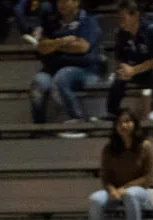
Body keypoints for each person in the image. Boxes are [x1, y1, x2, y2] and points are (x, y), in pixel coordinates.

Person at [29, 0, 105, 133]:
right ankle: (39, 127)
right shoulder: (52, 22)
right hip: (53, 69)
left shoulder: (88, 21)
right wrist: (63, 41)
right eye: (59, 1)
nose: (61, 4)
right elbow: (42, 47)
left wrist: (54, 45)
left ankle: (78, 119)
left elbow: (82, 47)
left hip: (85, 70)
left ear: (76, 2)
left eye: (65, 1)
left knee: (62, 76)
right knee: (38, 83)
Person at [88, 109, 153, 220]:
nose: (123, 126)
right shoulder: (109, 149)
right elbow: (106, 177)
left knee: (130, 194)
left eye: (127, 121)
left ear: (134, 124)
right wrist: (112, 190)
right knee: (95, 199)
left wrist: (125, 188)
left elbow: (149, 177)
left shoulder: (146, 146)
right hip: (117, 191)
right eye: (119, 123)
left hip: (142, 191)